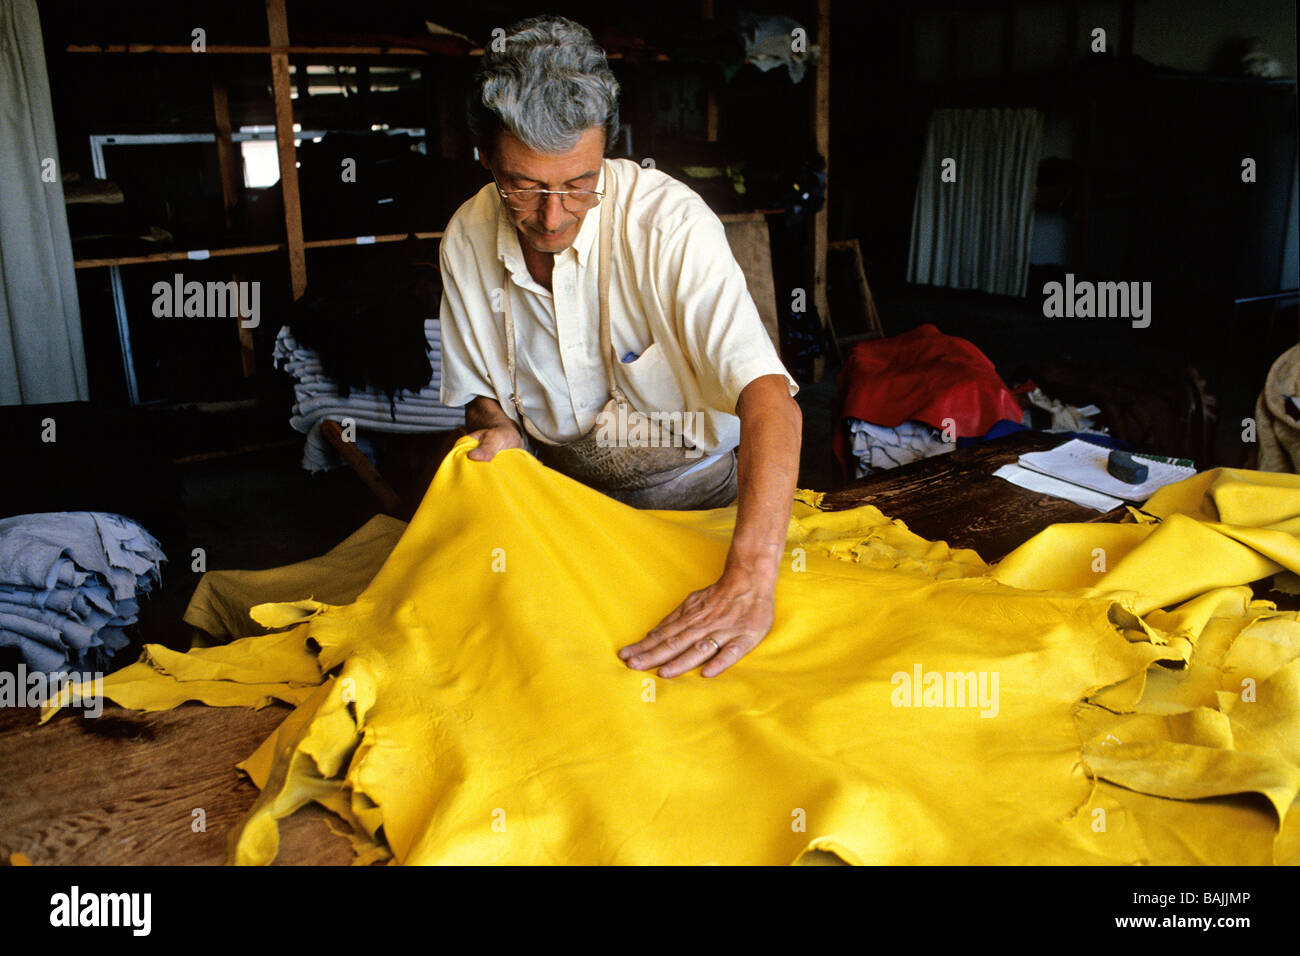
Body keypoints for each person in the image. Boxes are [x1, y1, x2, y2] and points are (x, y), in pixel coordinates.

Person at [438, 15, 802, 678]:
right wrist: (498, 433)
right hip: (568, 514)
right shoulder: (465, 238)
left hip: (705, 507)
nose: (553, 217)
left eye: (578, 183)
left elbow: (770, 400)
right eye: (524, 185)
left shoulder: (668, 224)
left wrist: (750, 576)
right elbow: (483, 396)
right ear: (485, 156)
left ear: (607, 150)